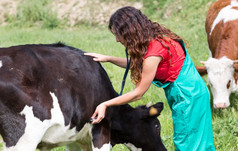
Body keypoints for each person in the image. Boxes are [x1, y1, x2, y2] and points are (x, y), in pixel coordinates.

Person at [85, 6, 216, 151]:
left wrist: (105, 104)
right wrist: (108, 58)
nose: (117, 39)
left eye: (118, 34)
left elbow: (138, 93)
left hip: (187, 97)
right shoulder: (157, 39)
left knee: (187, 142)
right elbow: (142, 65)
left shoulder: (154, 52)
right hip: (194, 92)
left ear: (129, 31)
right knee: (199, 142)